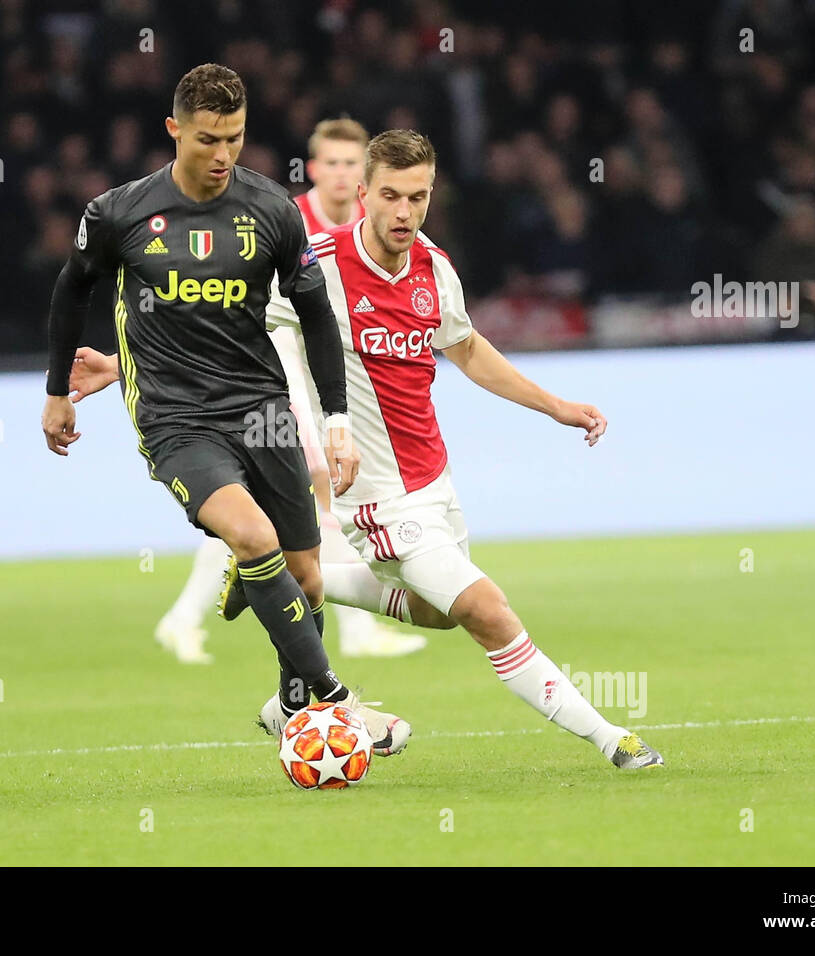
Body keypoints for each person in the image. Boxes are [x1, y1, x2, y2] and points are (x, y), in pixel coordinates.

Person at [228, 130, 664, 768]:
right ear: (361, 192)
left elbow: (467, 350)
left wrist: (556, 406)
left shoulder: (433, 266)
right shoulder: (318, 266)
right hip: (379, 499)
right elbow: (231, 319)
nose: (404, 213)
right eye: (391, 197)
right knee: (487, 609)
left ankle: (297, 577)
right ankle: (612, 739)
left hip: (435, 480)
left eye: (418, 197)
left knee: (437, 613)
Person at [43, 64, 410, 756]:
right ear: (174, 130)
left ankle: (291, 710)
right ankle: (338, 705)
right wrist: (56, 389)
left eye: (235, 139)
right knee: (252, 537)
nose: (222, 156)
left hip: (262, 409)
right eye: (208, 139)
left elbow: (316, 315)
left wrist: (334, 419)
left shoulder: (269, 210)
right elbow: (71, 291)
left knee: (306, 578)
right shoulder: (119, 213)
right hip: (176, 420)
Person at [150, 116, 427, 662]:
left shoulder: (376, 227)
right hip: (275, 371)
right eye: (334, 163)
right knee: (316, 491)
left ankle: (184, 618)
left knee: (304, 504)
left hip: (328, 373)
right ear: (316, 168)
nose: (344, 174)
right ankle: (345, 631)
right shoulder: (285, 219)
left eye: (354, 164)